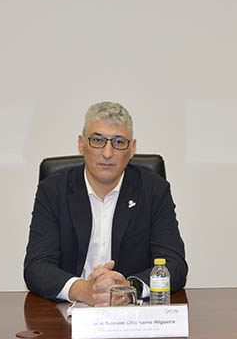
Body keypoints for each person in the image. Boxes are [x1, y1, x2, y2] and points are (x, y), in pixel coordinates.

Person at [24, 101, 187, 305]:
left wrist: (129, 288)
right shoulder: (53, 190)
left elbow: (175, 265)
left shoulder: (154, 190)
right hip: (67, 315)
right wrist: (83, 289)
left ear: (132, 149)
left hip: (132, 315)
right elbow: (36, 267)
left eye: (119, 142)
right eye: (98, 140)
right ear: (81, 144)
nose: (108, 153)